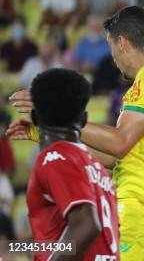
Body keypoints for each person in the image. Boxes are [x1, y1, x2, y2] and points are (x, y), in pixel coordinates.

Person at [8, 6, 144, 261]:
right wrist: (44, 130)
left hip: (137, 210)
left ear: (122, 43)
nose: (114, 59)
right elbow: (116, 157)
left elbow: (119, 143)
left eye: (112, 49)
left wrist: (55, 110)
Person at [24, 68, 119, 260]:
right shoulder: (97, 169)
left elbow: (86, 225)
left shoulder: (55, 158)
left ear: (34, 118)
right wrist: (9, 248)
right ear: (84, 120)